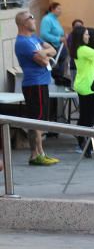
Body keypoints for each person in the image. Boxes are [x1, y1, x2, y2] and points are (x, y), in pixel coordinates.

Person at [14, 11, 58, 165]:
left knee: (40, 120)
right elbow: (43, 61)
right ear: (23, 23)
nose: (34, 19)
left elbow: (52, 50)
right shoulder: (23, 43)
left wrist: (43, 52)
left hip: (41, 83)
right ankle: (35, 155)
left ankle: (41, 153)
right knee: (36, 121)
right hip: (34, 84)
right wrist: (44, 55)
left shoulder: (33, 38)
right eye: (31, 18)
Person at [71, 25, 94, 155]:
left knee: (85, 115)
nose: (88, 36)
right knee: (89, 117)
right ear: (80, 37)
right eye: (86, 34)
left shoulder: (79, 49)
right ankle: (85, 143)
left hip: (83, 84)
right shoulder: (84, 49)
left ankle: (83, 142)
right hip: (88, 86)